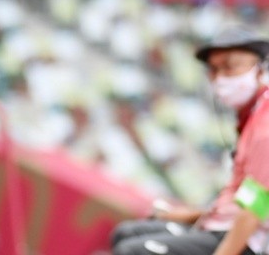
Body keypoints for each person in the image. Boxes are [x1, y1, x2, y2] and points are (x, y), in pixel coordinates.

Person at [110, 27, 269, 255]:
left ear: (260, 70)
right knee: (126, 233)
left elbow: (256, 206)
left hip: (246, 243)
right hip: (220, 227)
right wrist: (188, 215)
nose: (220, 77)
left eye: (231, 66)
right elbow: (237, 200)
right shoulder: (249, 118)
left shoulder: (265, 125)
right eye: (213, 70)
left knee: (132, 251)